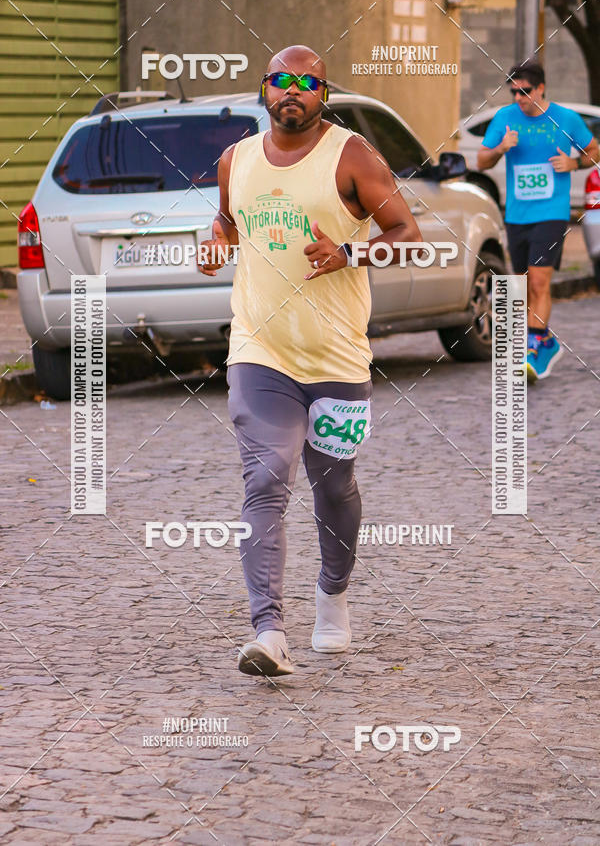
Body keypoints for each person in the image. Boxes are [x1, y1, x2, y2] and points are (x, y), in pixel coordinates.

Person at [199, 44, 423, 676]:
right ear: (263, 90)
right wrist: (215, 244)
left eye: (307, 82)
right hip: (259, 351)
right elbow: (226, 224)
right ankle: (268, 631)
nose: (292, 91)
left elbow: (410, 238)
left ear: (324, 93)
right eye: (280, 81)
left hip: (339, 358)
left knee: (334, 486)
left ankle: (333, 592)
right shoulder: (234, 160)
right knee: (266, 479)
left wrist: (351, 255)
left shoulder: (352, 157)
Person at [477, 60, 599, 381]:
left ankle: (532, 349)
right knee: (523, 284)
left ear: (541, 88)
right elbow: (481, 160)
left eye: (525, 91)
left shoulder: (565, 119)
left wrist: (573, 163)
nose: (518, 98)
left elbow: (594, 151)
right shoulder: (504, 119)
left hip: (552, 214)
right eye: (513, 92)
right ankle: (545, 341)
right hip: (517, 215)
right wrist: (502, 148)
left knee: (540, 280)